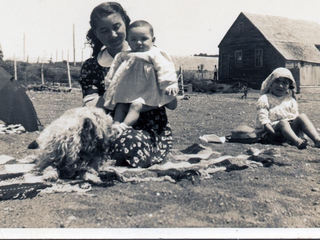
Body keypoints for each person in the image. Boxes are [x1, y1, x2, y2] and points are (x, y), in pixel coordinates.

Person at [79, 2, 177, 168]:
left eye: (117, 27)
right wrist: (119, 93)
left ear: (126, 24)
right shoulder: (92, 66)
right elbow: (93, 107)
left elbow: (172, 103)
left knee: (129, 140)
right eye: (104, 30)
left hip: (150, 129)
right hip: (109, 126)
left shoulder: (152, 57)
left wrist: (146, 99)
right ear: (96, 34)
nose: (113, 34)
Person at [103, 20, 178, 135]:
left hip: (147, 92)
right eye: (133, 39)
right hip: (127, 91)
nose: (139, 42)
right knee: (120, 105)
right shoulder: (122, 56)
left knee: (136, 105)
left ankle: (124, 126)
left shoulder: (155, 54)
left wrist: (169, 84)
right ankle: (116, 125)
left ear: (153, 40)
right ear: (127, 41)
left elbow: (165, 69)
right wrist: (108, 86)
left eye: (144, 39)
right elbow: (113, 72)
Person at [255, 67, 320, 149]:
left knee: (302, 116)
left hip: (289, 133)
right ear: (271, 83)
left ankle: (317, 139)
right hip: (272, 133)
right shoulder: (265, 99)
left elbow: (296, 119)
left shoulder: (290, 100)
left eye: (285, 83)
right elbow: (264, 121)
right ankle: (297, 141)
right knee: (283, 122)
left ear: (289, 87)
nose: (280, 85)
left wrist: (301, 134)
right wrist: (273, 134)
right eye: (277, 81)